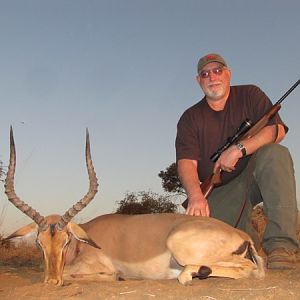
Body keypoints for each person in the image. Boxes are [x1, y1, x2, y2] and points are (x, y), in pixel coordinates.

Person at [175, 53, 299, 269]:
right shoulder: (190, 117)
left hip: (254, 177)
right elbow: (186, 162)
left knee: (275, 153)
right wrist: (196, 196)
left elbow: (277, 131)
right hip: (221, 189)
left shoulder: (250, 94)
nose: (212, 77)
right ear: (199, 81)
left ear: (228, 74)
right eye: (205, 74)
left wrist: (239, 149)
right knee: (202, 248)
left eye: (217, 71)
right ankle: (250, 243)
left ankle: (280, 246)